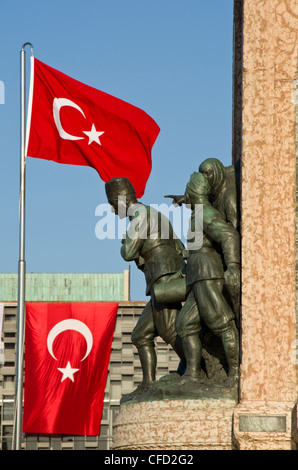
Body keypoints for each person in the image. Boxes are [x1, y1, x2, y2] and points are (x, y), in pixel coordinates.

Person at [105, 177, 186, 401]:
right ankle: (148, 383)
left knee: (169, 328)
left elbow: (128, 253)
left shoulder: (140, 216)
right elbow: (181, 247)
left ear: (120, 201)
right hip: (163, 274)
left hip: (163, 274)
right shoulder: (154, 214)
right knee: (141, 334)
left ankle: (198, 367)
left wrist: (124, 241)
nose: (112, 211)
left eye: (113, 205)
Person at [173, 172, 240, 386]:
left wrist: (233, 266)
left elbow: (228, 235)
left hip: (207, 275)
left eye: (187, 190)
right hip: (197, 275)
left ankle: (236, 372)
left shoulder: (204, 213)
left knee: (221, 322)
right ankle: (192, 373)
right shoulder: (198, 213)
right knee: (185, 324)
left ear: (193, 192)